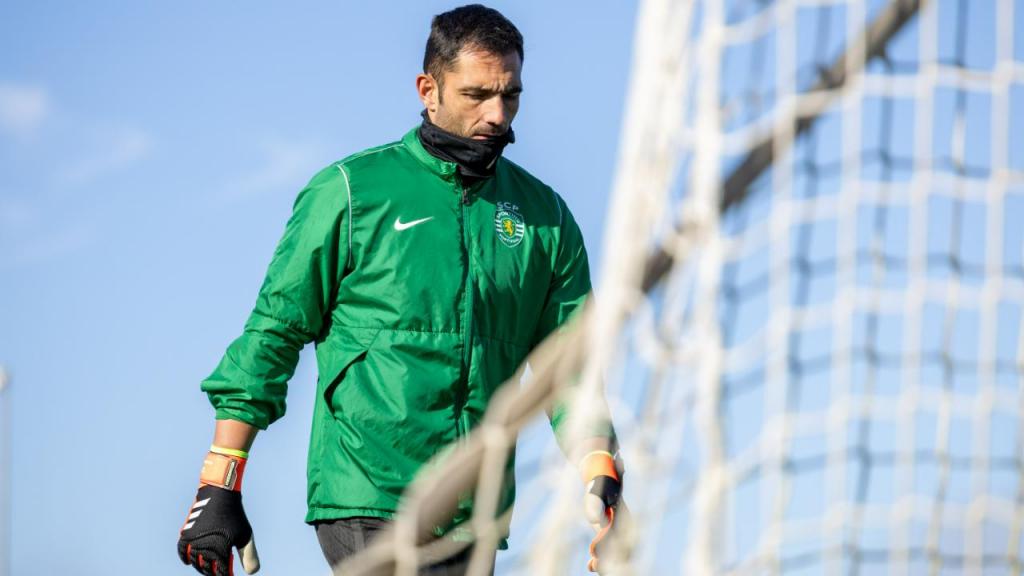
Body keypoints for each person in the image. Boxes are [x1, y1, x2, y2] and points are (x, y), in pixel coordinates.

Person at [176, 5, 622, 575]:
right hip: (369, 493)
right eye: (476, 94)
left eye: (510, 95)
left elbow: (571, 369)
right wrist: (221, 480)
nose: (496, 113)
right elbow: (275, 330)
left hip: (475, 507)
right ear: (428, 88)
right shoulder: (350, 192)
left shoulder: (544, 217)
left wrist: (601, 471)